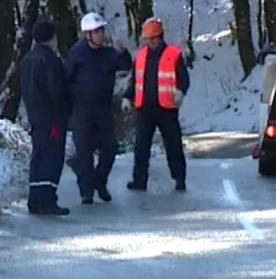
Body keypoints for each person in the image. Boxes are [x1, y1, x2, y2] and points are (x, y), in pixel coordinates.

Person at [64, 12, 133, 204]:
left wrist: (122, 52)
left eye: (102, 30)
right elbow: (66, 81)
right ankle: (86, 191)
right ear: (87, 34)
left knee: (110, 148)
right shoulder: (76, 54)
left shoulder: (108, 53)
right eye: (97, 31)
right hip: (82, 111)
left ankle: (99, 182)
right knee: (84, 151)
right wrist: (69, 108)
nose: (101, 34)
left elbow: (127, 65)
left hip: (103, 109)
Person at [122, 17, 190, 192]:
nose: (150, 42)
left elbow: (183, 77)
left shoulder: (173, 55)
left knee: (173, 145)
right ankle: (139, 180)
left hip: (166, 107)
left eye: (153, 38)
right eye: (147, 39)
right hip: (145, 107)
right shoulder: (141, 56)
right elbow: (135, 80)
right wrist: (127, 97)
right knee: (141, 145)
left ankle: (179, 178)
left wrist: (180, 91)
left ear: (161, 36)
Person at [20, 21, 71, 216]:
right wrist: (65, 109)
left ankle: (34, 199)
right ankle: (48, 199)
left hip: (35, 115)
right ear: (51, 37)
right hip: (52, 117)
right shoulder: (50, 60)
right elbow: (55, 90)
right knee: (52, 157)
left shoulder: (27, 59)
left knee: (38, 156)